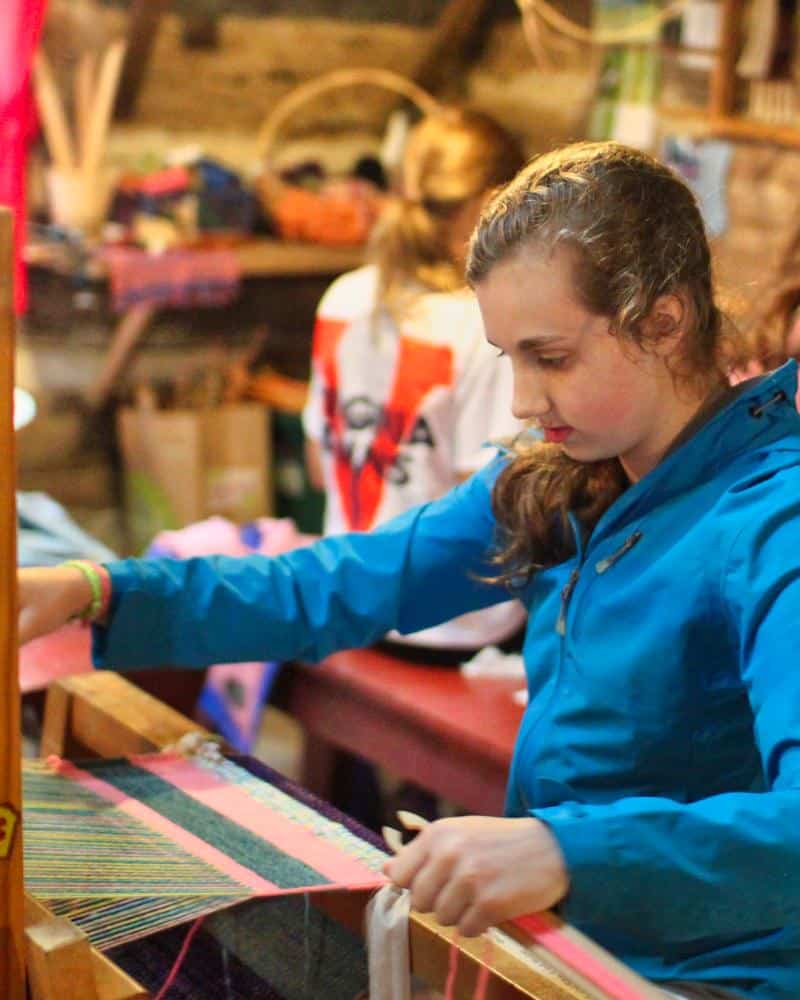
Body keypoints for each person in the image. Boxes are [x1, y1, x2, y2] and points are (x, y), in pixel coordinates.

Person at [18, 141, 800, 1000]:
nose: (523, 401)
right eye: (509, 358)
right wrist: (98, 590)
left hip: (706, 978)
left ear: (665, 322)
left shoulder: (771, 524)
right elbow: (335, 583)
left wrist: (562, 850)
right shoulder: (568, 475)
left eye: (553, 357)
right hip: (563, 955)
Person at [303, 108, 527, 660]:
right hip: (452, 627)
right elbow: (484, 504)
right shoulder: (485, 323)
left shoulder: (342, 298)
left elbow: (318, 466)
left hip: (350, 602)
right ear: (493, 203)